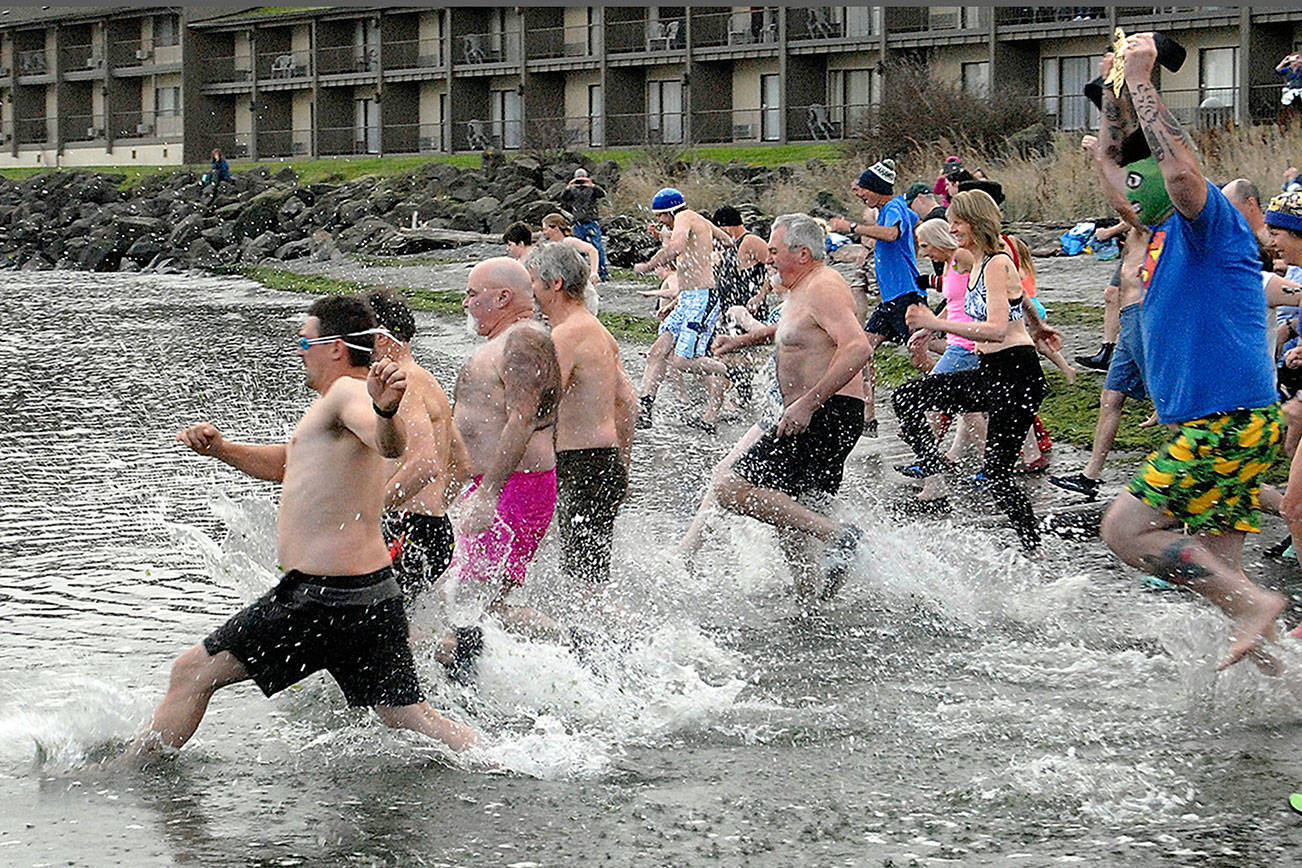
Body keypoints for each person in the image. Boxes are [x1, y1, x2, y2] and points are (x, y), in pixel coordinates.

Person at [129, 295, 480, 760]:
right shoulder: (331, 406)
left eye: (305, 340)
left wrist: (387, 412)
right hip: (368, 593)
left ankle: (128, 773)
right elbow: (288, 464)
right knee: (408, 716)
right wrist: (223, 449)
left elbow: (388, 444)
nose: (300, 350)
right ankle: (516, 759)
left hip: (323, 595)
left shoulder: (349, 395)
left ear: (335, 347)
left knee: (192, 673)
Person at [1096, 34, 1285, 671]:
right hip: (1226, 420)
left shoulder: (1209, 225)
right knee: (1219, 576)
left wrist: (1146, 80)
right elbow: (1117, 175)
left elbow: (1178, 170)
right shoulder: (1154, 235)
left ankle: (1261, 609)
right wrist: (1112, 95)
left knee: (1123, 530)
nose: (1130, 191)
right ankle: (1283, 677)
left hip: (1223, 420)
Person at [713, 213, 872, 603]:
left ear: (802, 253)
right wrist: (744, 341)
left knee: (731, 488)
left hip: (825, 411)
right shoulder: (799, 288)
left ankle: (839, 536)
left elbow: (858, 347)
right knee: (794, 509)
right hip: (815, 412)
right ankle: (814, 600)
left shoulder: (824, 286)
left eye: (774, 250)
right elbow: (797, 335)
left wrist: (807, 403)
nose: (767, 258)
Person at [893, 189, 1050, 550]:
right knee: (906, 398)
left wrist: (937, 323)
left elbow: (996, 328)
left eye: (956, 222)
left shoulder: (997, 263)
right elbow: (1018, 298)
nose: (951, 229)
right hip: (990, 370)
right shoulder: (973, 260)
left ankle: (1032, 544)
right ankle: (936, 465)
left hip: (1017, 376)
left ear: (977, 222)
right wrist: (1037, 325)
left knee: (998, 477)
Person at [445, 257, 565, 665]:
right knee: (473, 601)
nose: (466, 303)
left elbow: (523, 417)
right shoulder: (505, 341)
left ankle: (570, 651)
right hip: (494, 486)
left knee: (477, 601)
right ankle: (489, 671)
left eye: (472, 294)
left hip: (514, 488)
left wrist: (489, 496)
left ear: (502, 297)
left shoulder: (525, 339)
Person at [524, 241, 636, 590]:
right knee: (587, 573)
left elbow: (536, 407)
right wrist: (622, 463)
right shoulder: (597, 329)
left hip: (580, 464)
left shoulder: (565, 335)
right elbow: (628, 402)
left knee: (585, 583)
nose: (529, 290)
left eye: (532, 282)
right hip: (601, 462)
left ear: (554, 283)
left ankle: (622, 641)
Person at [1050, 135, 1152, 501]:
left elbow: (1126, 209)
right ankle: (1090, 476)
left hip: (1144, 315)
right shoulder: (1143, 209)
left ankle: (1199, 476)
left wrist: (1099, 159)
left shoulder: (1156, 214)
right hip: (1129, 318)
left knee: (1172, 408)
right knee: (1111, 398)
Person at [367, 290, 469, 604]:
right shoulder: (427, 379)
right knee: (397, 627)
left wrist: (369, 515)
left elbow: (425, 466)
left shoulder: (404, 384)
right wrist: (435, 511)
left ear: (382, 338)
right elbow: (463, 465)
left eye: (360, 336)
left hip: (408, 527)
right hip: (431, 530)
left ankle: (469, 644)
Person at [827, 159, 922, 436]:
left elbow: (893, 234)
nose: (861, 195)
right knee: (861, 350)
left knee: (924, 352)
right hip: (889, 301)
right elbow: (913, 224)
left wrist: (853, 228)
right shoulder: (888, 209)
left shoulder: (893, 208)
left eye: (865, 190)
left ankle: (957, 375)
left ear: (878, 189)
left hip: (907, 296)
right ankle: (868, 416)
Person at [633, 188, 731, 432]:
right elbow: (727, 241)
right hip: (687, 298)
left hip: (702, 298)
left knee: (683, 362)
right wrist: (704, 252)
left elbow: (675, 247)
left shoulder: (685, 217)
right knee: (658, 350)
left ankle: (732, 371)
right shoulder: (698, 220)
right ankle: (645, 408)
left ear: (670, 211)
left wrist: (648, 265)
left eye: (661, 216)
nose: (659, 221)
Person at [711, 205, 772, 405]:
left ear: (726, 227)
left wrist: (759, 296)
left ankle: (744, 398)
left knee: (737, 355)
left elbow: (773, 267)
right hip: (729, 310)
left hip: (748, 310)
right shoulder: (730, 246)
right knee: (731, 354)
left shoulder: (751, 241)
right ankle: (742, 398)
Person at [541, 213, 601, 313]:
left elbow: (592, 250)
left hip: (582, 288)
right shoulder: (549, 247)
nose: (544, 232)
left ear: (555, 228)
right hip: (567, 289)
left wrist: (594, 272)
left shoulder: (568, 242)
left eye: (546, 229)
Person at [559, 167, 610, 281]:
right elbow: (563, 198)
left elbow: (602, 194)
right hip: (578, 223)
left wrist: (592, 185)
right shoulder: (572, 190)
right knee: (578, 250)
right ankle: (580, 272)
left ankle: (602, 272)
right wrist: (569, 186)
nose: (580, 182)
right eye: (578, 179)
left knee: (597, 248)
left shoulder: (591, 189)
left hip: (591, 221)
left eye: (582, 178)